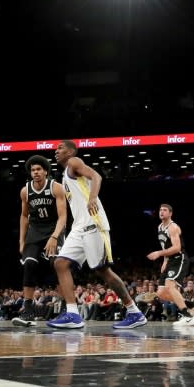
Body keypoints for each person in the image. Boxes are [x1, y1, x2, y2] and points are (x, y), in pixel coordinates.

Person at [46, 140, 146, 329]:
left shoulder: (74, 162)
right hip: (79, 227)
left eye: (60, 148)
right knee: (60, 263)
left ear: (71, 151)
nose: (56, 151)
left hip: (93, 223)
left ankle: (134, 312)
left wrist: (92, 198)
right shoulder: (64, 175)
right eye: (56, 148)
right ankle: (73, 315)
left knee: (103, 271)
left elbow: (96, 177)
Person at [12, 155, 68, 327]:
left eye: (38, 169)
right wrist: (22, 240)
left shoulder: (56, 187)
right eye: (33, 170)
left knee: (56, 264)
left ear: (45, 171)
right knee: (29, 264)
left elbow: (63, 216)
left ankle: (67, 308)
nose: (35, 172)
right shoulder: (25, 190)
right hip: (35, 232)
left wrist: (54, 237)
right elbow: (23, 216)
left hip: (53, 230)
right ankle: (27, 310)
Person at [146, 204, 194, 326]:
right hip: (170, 260)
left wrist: (159, 254)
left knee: (170, 286)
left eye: (165, 210)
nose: (162, 212)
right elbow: (166, 246)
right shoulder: (160, 227)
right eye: (160, 209)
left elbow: (177, 248)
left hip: (179, 258)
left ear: (170, 213)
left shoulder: (173, 227)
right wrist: (165, 261)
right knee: (160, 292)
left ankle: (187, 316)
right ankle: (191, 305)